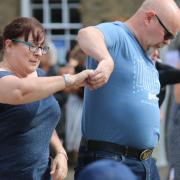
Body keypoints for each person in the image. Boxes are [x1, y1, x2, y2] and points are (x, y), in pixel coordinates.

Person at [74, 0, 180, 179]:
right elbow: (86, 34)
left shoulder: (148, 54)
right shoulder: (119, 33)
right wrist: (106, 60)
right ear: (149, 18)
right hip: (111, 160)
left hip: (145, 162)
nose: (167, 42)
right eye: (167, 34)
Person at [0, 17, 94, 180]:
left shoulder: (41, 76)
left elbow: (43, 121)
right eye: (31, 46)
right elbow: (20, 91)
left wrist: (60, 152)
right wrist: (70, 79)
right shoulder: (3, 78)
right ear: (9, 45)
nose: (38, 53)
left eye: (41, 47)